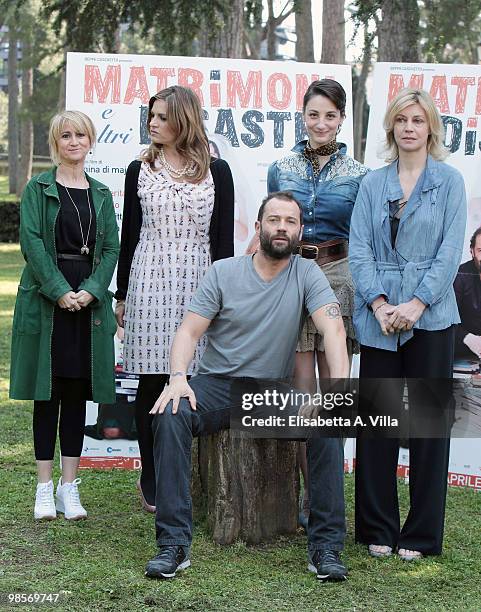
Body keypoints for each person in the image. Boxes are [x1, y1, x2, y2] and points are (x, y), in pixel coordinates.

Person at [144, 192, 350, 582]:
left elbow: (333, 329)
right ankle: (173, 545)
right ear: (258, 228)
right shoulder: (223, 272)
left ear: (299, 230)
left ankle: (325, 548)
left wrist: (335, 391)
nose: (282, 228)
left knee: (327, 423)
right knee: (170, 414)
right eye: (274, 220)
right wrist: (176, 378)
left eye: (290, 221)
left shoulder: (307, 274)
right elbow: (188, 330)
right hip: (216, 385)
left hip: (269, 392)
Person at [349, 88, 467, 560]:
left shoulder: (450, 182)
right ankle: (377, 528)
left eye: (418, 120)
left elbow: (450, 252)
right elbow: (359, 249)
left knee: (426, 429)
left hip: (433, 318)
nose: (410, 128)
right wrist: (379, 305)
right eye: (402, 120)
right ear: (391, 128)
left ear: (431, 127)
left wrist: (417, 304)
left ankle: (419, 536)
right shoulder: (372, 183)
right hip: (379, 317)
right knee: (377, 424)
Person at [115, 86, 234, 513]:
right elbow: (130, 235)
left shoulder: (218, 171)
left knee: (194, 381)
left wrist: (225, 298)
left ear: (183, 119)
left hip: (199, 285)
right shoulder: (138, 169)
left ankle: (192, 475)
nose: (152, 123)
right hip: (149, 281)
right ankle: (152, 474)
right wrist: (123, 293)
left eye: (162, 116)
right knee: (150, 382)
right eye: (151, 116)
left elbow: (223, 243)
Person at [267, 79, 368, 526]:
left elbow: (365, 236)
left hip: (338, 276)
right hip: (292, 274)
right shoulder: (281, 166)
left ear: (341, 119)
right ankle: (311, 497)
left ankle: (331, 497)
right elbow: (271, 225)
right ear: (302, 116)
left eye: (330, 115)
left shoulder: (360, 174)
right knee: (303, 392)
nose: (321, 123)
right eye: (314, 114)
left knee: (337, 391)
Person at [10, 110, 119, 520]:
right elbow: (32, 243)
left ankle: (68, 488)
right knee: (47, 393)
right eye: (66, 136)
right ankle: (43, 488)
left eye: (81, 135)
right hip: (47, 299)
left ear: (90, 141)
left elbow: (110, 249)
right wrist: (59, 292)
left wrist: (90, 292)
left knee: (76, 394)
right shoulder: (38, 188)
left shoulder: (102, 194)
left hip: (86, 305)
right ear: (56, 143)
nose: (74, 142)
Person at [454, 227, 481, 359]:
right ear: (472, 252)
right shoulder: (460, 276)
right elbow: (448, 322)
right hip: (463, 349)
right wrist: (469, 338)